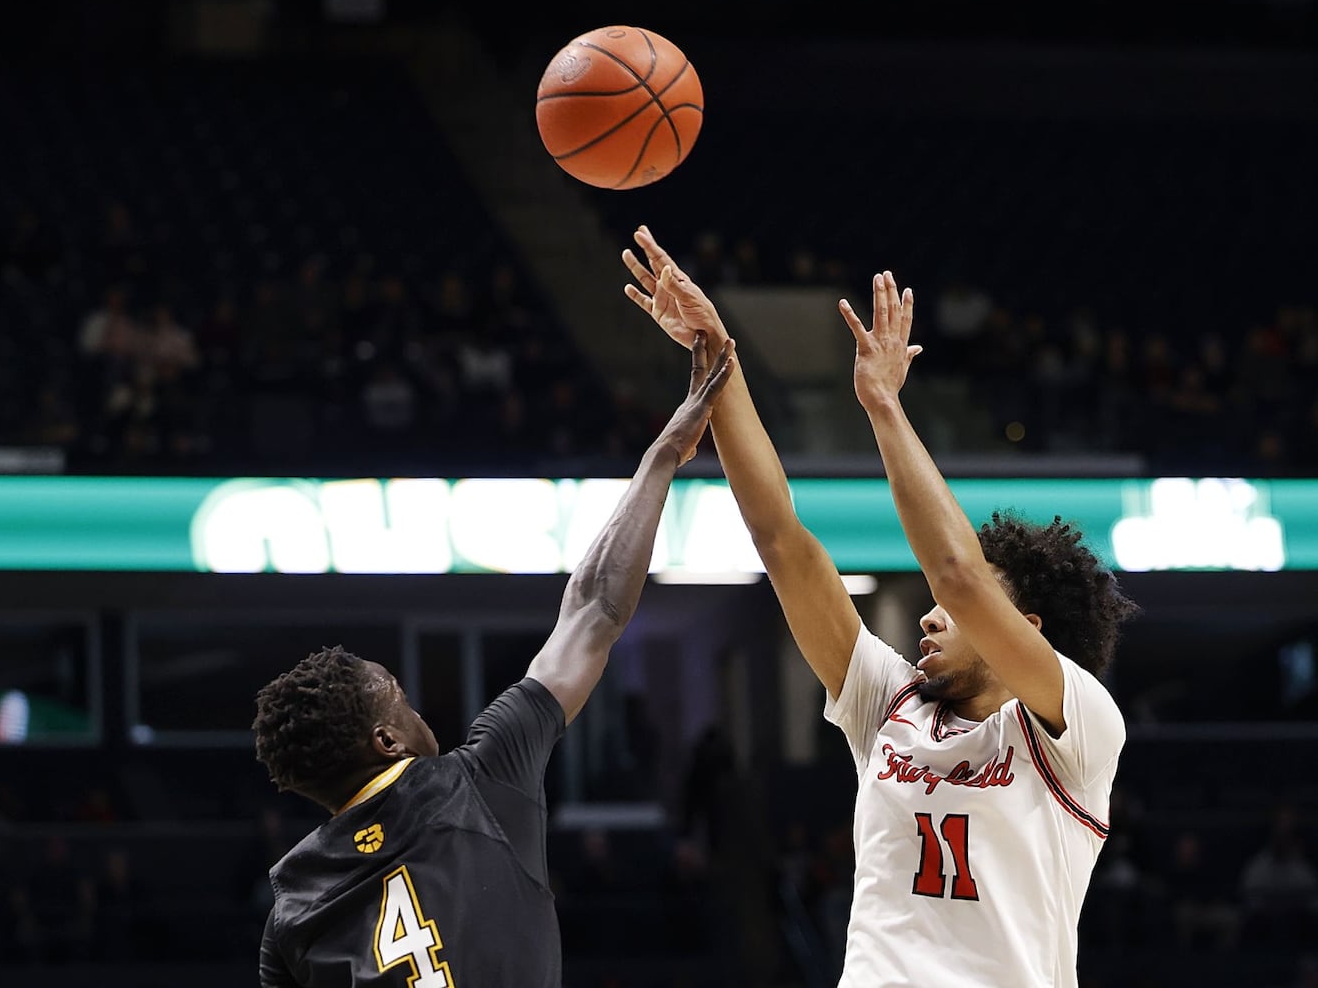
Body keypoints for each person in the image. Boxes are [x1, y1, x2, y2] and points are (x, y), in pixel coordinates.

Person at [623, 226, 1140, 988]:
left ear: (1025, 632)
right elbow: (778, 537)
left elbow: (958, 575)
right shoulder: (886, 704)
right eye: (931, 608)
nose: (931, 616)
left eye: (953, 612)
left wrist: (882, 405)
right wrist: (716, 356)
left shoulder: (1078, 729)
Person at [250, 332, 735, 987]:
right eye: (396, 693)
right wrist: (664, 453)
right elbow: (594, 609)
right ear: (387, 739)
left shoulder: (289, 912)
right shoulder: (479, 781)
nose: (417, 705)